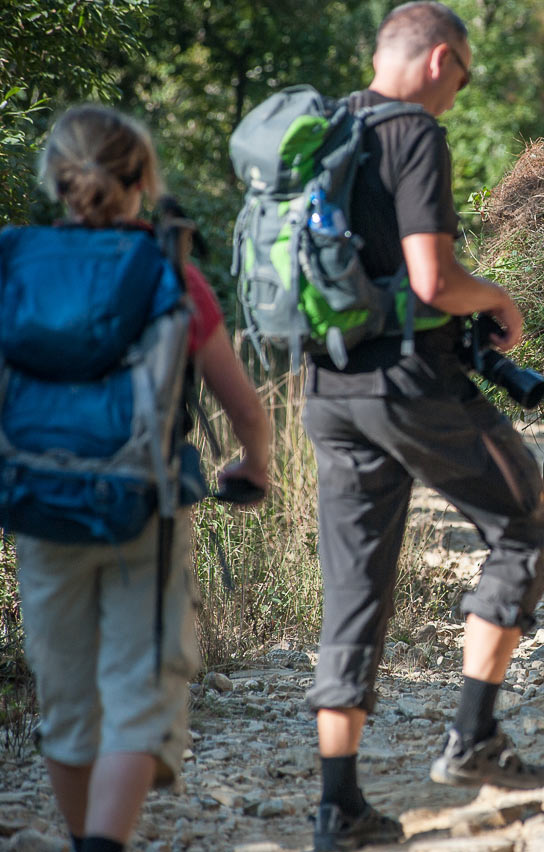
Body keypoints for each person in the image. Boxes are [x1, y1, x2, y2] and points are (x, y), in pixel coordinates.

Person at [298, 4, 544, 849]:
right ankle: (473, 735)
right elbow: (434, 278)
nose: (460, 92)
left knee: (355, 593)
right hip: (410, 383)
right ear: (440, 59)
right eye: (465, 76)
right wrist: (502, 300)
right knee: (522, 525)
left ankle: (339, 809)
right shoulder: (414, 134)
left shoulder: (325, 131)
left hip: (329, 389)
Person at [12, 106, 270, 852]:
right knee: (137, 693)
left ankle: (83, 837)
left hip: (35, 505)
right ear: (143, 179)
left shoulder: (13, 263)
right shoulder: (168, 272)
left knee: (65, 704)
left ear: (56, 177)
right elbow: (245, 408)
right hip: (142, 508)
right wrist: (255, 464)